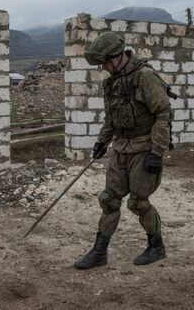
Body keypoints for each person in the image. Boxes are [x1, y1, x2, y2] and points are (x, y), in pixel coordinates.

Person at [74, 32, 173, 269]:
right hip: (120, 149)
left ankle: (156, 247)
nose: (103, 67)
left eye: (105, 62)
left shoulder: (145, 77)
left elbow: (163, 114)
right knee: (109, 199)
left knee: (139, 203)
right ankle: (99, 252)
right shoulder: (111, 81)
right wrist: (102, 141)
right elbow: (112, 116)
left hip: (143, 148)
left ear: (118, 56)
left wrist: (157, 152)